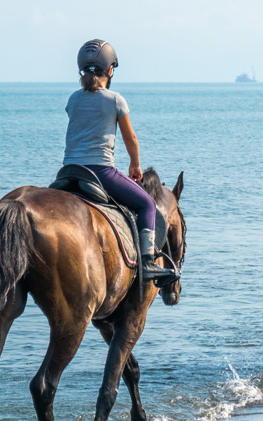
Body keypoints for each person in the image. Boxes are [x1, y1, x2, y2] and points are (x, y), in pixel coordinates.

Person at [61, 39, 176, 282]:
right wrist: (135, 165)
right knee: (147, 205)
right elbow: (130, 138)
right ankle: (147, 264)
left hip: (68, 172)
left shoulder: (73, 99)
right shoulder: (115, 100)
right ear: (110, 70)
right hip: (100, 172)